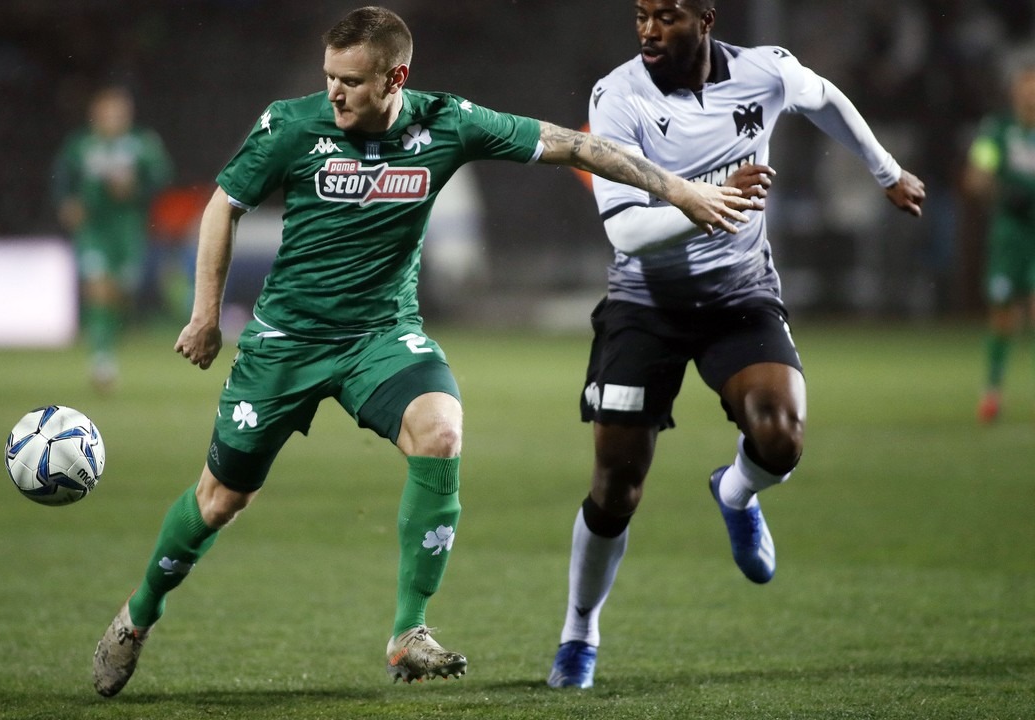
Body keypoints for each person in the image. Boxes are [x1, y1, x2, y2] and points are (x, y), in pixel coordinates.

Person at [91, 5, 754, 697]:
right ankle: (138, 616)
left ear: (395, 78)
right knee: (221, 499)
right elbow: (222, 206)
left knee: (440, 432)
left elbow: (577, 147)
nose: (334, 93)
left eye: (350, 81)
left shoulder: (447, 123)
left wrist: (680, 191)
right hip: (287, 343)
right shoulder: (290, 125)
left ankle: (408, 632)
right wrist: (205, 315)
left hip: (383, 338)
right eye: (329, 77)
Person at [546, 0, 925, 689]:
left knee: (782, 438)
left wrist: (886, 171)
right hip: (645, 306)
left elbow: (824, 98)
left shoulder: (764, 72)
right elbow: (625, 231)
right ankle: (580, 631)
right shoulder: (618, 96)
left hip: (738, 296)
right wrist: (705, 199)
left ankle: (737, 492)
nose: (649, 29)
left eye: (667, 15)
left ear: (706, 18)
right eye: (641, 14)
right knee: (617, 486)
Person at [51, 85, 173, 392]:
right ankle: (101, 358)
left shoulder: (142, 143)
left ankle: (108, 344)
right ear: (96, 113)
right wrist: (67, 203)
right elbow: (62, 176)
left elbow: (161, 177)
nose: (114, 118)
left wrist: (136, 187)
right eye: (109, 112)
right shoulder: (81, 144)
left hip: (128, 227)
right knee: (98, 287)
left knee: (120, 292)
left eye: (120, 113)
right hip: (94, 227)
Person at [963, 53, 1035, 424]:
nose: (1031, 93)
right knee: (1003, 315)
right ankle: (992, 392)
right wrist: (994, 186)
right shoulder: (998, 130)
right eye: (1026, 85)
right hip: (1008, 233)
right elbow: (978, 172)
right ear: (1015, 90)